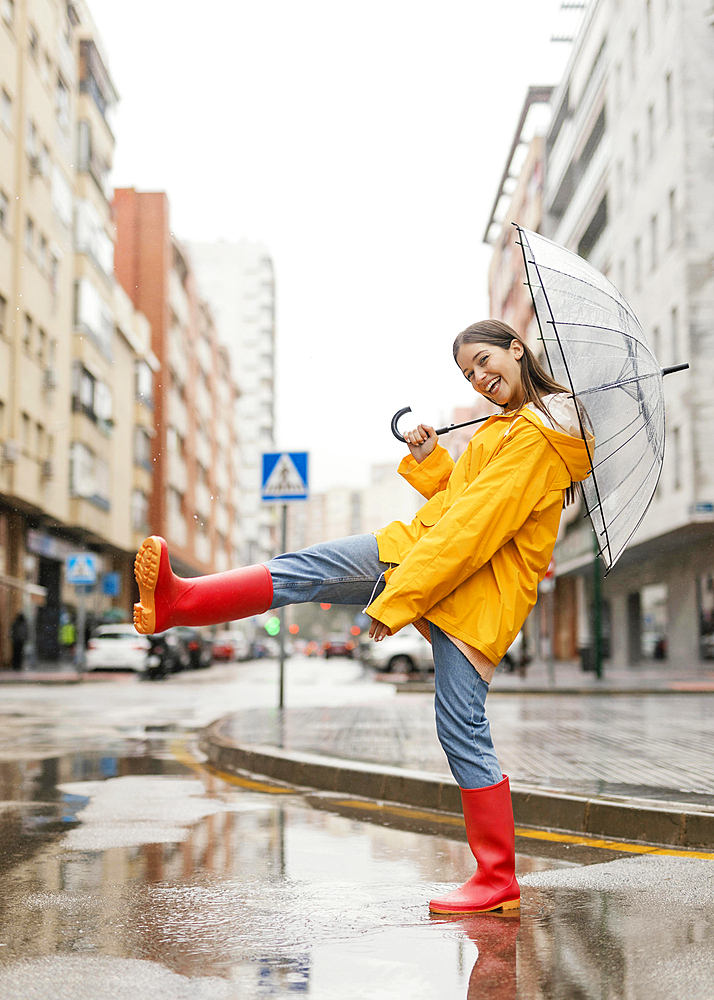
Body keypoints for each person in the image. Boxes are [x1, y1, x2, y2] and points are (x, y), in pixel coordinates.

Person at [132, 319, 592, 915]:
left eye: (484, 361)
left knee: (457, 724)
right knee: (308, 573)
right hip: (445, 574)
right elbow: (465, 502)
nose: (480, 378)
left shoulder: (535, 438)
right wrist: (431, 461)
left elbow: (472, 531)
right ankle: (181, 600)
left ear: (516, 348)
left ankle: (497, 878)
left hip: (463, 587)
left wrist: (399, 599)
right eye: (468, 372)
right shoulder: (513, 429)